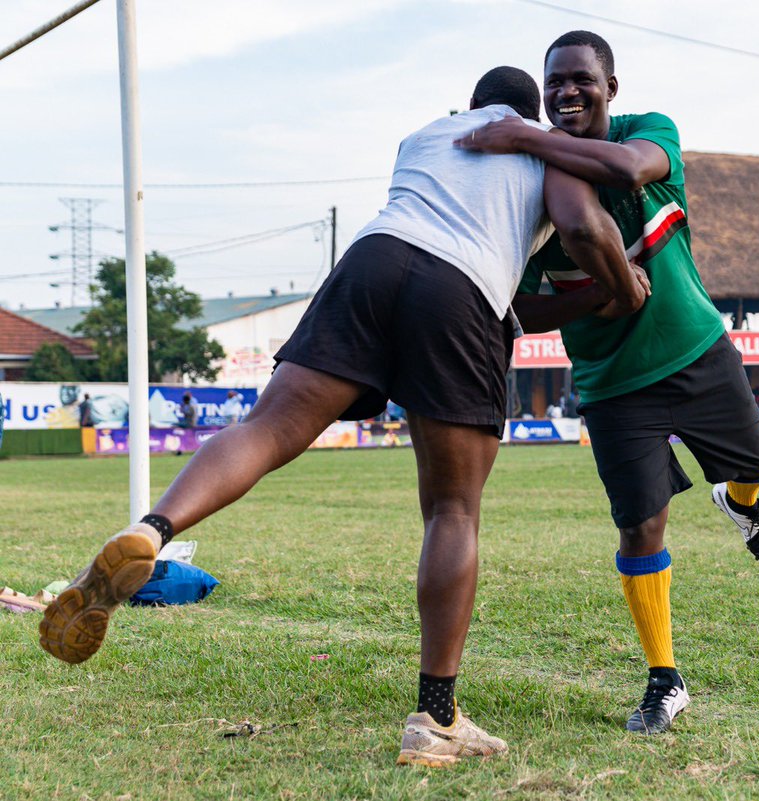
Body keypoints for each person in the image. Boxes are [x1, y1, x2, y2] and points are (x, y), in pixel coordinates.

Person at [38, 66, 646, 767]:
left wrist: (575, 298)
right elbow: (580, 224)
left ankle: (150, 530)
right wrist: (621, 288)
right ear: (528, 112)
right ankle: (437, 718)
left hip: (371, 261)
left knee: (265, 430)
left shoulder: (423, 137)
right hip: (462, 289)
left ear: (469, 105)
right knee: (452, 510)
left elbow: (473, 262)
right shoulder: (542, 146)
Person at [459, 30, 759, 736]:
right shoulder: (531, 191)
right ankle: (665, 678)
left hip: (696, 350)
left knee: (755, 464)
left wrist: (526, 136)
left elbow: (631, 169)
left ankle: (742, 502)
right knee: (640, 524)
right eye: (554, 83)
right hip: (611, 385)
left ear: (611, 87)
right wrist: (593, 298)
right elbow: (514, 308)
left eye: (581, 78)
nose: (566, 92)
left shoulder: (649, 131)